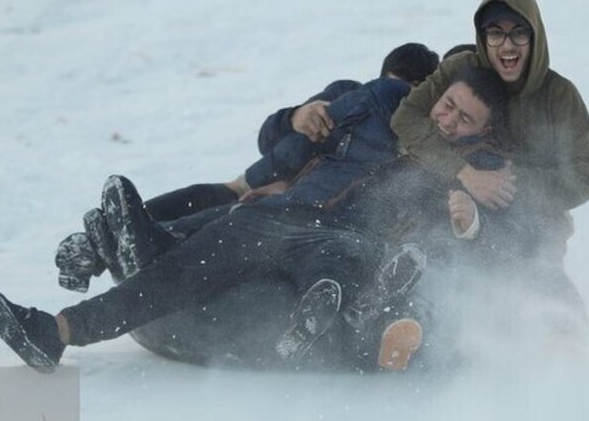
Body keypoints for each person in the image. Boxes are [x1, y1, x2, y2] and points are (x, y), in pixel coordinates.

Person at [0, 66, 511, 374]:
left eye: (463, 119)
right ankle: (58, 330)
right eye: (447, 105)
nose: (447, 120)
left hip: (345, 239)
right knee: (179, 272)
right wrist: (300, 114)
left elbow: (486, 241)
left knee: (336, 271)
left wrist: (467, 219)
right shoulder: (383, 106)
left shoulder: (470, 172)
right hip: (277, 214)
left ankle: (319, 328)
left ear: (479, 134)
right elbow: (289, 138)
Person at [55, 43, 440, 289]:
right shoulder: (346, 95)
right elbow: (268, 140)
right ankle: (98, 243)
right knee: (213, 194)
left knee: (234, 213)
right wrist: (294, 117)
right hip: (260, 183)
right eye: (390, 88)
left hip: (295, 212)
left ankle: (131, 248)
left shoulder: (406, 149)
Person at [391, 0, 589, 322]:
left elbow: (587, 176)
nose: (507, 44)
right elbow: (407, 117)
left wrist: (510, 183)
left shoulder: (560, 96)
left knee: (536, 274)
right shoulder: (461, 69)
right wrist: (465, 173)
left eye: (519, 33)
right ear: (482, 36)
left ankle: (564, 340)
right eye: (496, 33)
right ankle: (413, 331)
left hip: (532, 225)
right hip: (445, 202)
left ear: (535, 38)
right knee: (434, 257)